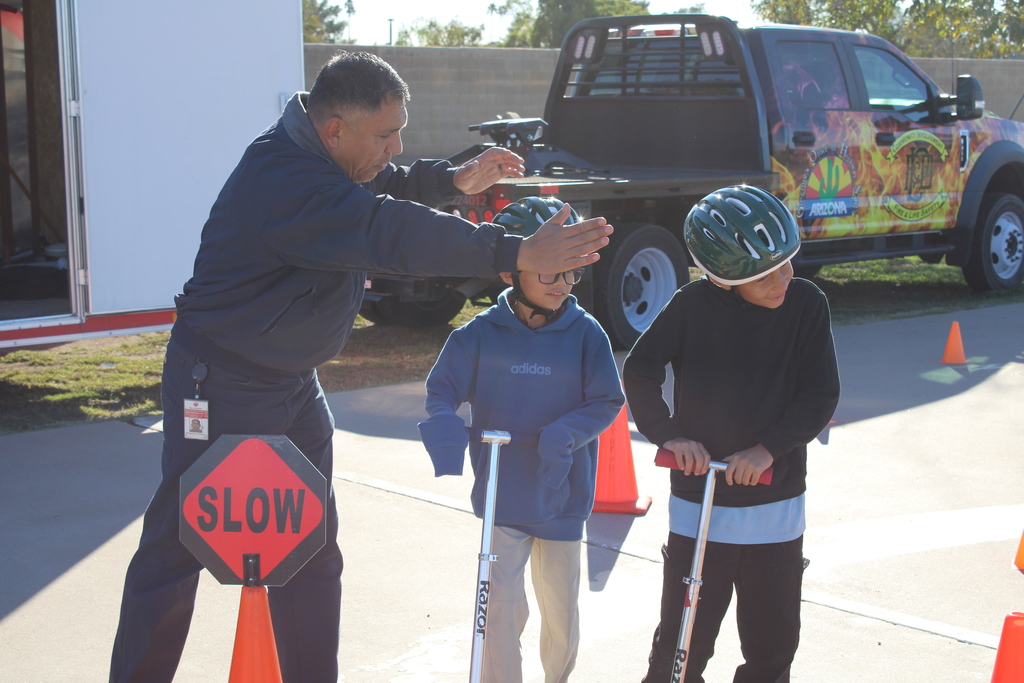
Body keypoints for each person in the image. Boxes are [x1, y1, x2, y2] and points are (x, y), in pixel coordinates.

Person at [108, 53, 612, 683]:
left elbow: (384, 187)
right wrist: (511, 250)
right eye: (385, 135)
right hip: (223, 382)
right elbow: (385, 229)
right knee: (178, 547)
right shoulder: (284, 180)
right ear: (335, 129)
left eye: (400, 130)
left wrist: (453, 180)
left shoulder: (327, 158)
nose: (396, 147)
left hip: (292, 385)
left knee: (312, 550)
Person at [622, 185, 840, 683]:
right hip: (700, 505)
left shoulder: (806, 304)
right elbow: (640, 371)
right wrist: (669, 436)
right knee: (680, 649)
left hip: (776, 505)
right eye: (766, 275)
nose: (784, 279)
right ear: (724, 278)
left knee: (772, 648)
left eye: (788, 263)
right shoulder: (691, 306)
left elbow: (820, 394)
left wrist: (769, 450)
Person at [417, 197, 624, 683]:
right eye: (551, 273)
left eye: (571, 273)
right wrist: (445, 428)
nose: (563, 285)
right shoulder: (478, 336)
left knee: (561, 616)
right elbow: (440, 392)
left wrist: (564, 434)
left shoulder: (586, 334)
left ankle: (558, 679)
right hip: (502, 497)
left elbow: (606, 402)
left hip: (562, 495)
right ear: (512, 273)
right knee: (499, 613)